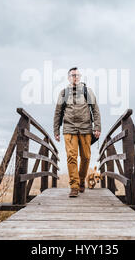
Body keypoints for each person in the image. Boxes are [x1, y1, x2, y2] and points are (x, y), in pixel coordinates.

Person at [53, 67, 101, 197]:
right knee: (71, 157)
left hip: (86, 128)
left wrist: (97, 127)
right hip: (69, 128)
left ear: (80, 77)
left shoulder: (87, 91)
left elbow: (95, 110)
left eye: (77, 75)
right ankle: (74, 186)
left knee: (86, 157)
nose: (75, 77)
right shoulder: (63, 93)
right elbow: (58, 112)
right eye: (72, 75)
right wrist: (56, 130)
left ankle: (81, 180)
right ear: (69, 77)